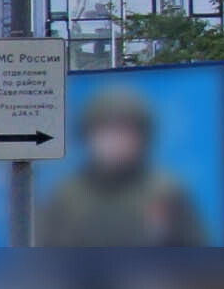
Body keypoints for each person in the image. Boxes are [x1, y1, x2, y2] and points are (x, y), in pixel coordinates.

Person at [40, 85, 210, 248]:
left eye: (125, 131)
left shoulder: (167, 192)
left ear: (142, 137)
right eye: (105, 131)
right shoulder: (66, 195)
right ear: (88, 137)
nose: (115, 141)